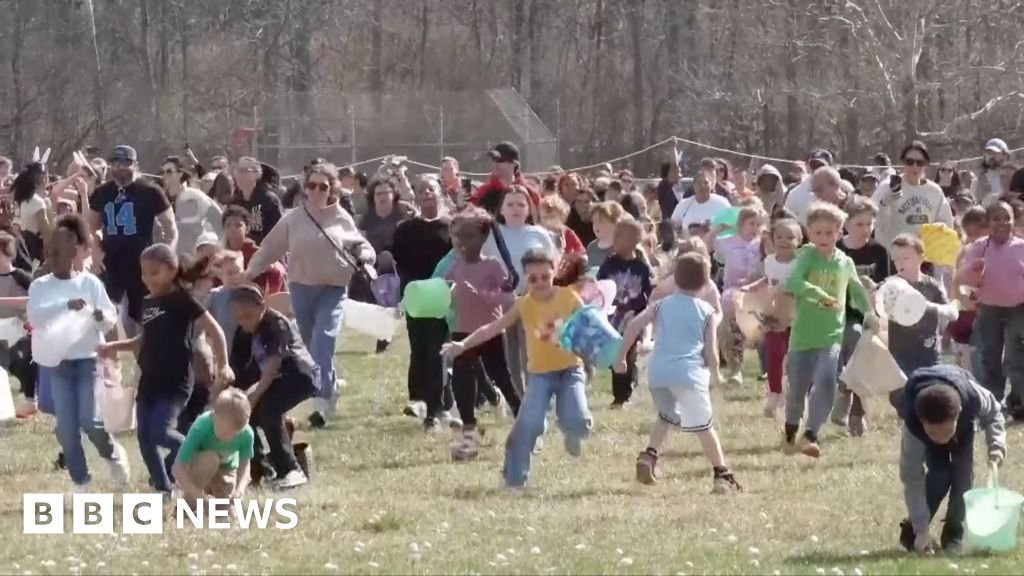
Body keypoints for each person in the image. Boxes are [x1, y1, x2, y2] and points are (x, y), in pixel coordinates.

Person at [443, 249, 591, 488]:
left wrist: (602, 351)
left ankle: (574, 433)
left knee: (576, 417)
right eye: (533, 279)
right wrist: (463, 344)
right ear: (525, 278)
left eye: (545, 276)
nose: (540, 283)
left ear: (554, 272)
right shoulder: (523, 304)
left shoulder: (569, 297)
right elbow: (492, 328)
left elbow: (592, 322)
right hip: (540, 375)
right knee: (527, 424)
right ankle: (514, 479)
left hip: (570, 370)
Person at [244, 163, 374, 428]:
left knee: (323, 340)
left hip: (333, 289)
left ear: (332, 189)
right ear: (304, 188)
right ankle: (331, 384)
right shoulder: (293, 218)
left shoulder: (340, 216)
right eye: (311, 185)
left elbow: (360, 243)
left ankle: (322, 403)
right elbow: (269, 248)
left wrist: (366, 255)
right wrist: (248, 274)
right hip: (302, 289)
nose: (316, 191)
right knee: (309, 346)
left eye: (323, 186)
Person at [98, 244, 231, 496]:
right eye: (143, 273)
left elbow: (215, 331)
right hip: (149, 379)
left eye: (154, 272)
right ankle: (163, 489)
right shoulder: (147, 302)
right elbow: (141, 341)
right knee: (144, 439)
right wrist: (113, 346)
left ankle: (203, 451)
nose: (147, 278)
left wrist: (224, 364)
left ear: (171, 270)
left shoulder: (183, 300)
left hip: (175, 381)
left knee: (160, 432)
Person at [617, 252, 740, 493]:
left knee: (667, 415)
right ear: (706, 284)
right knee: (704, 425)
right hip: (688, 374)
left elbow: (633, 326)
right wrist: (716, 374)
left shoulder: (661, 305)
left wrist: (621, 357)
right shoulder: (707, 312)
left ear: (674, 279)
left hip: (658, 373)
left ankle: (649, 455)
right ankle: (721, 474)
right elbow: (711, 351)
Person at [28, 223, 130, 490]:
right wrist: (66, 304)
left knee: (90, 420)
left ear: (75, 252)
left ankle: (112, 454)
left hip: (87, 360)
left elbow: (108, 317)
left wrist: (99, 317)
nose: (58, 258)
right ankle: (81, 481)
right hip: (58, 363)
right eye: (54, 252)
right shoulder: (40, 285)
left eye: (65, 251)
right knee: (67, 430)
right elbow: (34, 315)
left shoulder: (89, 282)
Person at [784, 202, 874, 458]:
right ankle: (791, 427)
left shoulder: (844, 262)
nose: (824, 238)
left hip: (832, 334)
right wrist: (819, 295)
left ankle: (811, 433)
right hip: (803, 336)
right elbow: (793, 282)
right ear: (809, 233)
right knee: (798, 388)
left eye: (830, 232)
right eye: (818, 232)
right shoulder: (806, 256)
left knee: (826, 381)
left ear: (839, 232)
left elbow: (856, 288)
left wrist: (869, 312)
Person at [897, 365, 1006, 555]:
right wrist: (921, 528)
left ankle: (953, 535)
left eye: (946, 432)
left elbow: (994, 414)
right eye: (934, 433)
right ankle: (914, 533)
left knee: (963, 479)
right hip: (926, 437)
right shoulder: (913, 427)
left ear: (960, 411)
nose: (941, 439)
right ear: (922, 421)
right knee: (939, 475)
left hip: (962, 431)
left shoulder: (973, 397)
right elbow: (912, 478)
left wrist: (996, 446)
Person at [445, 208, 519, 457]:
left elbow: (510, 298)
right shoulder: (454, 266)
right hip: (462, 334)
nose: (460, 241)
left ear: (483, 237)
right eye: (456, 235)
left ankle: (524, 425)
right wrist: (447, 294)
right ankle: (469, 436)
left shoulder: (493, 266)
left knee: (502, 378)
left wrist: (490, 297)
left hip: (490, 332)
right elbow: (444, 292)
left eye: (468, 235)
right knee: (462, 382)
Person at [231, 284, 319, 489]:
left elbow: (272, 367)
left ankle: (290, 470)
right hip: (274, 380)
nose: (244, 320)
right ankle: (260, 471)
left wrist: (253, 396)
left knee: (270, 410)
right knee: (246, 417)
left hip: (299, 376)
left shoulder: (275, 324)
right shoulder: (243, 332)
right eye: (239, 316)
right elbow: (239, 369)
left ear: (262, 306)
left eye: (248, 315)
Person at [89, 145, 177, 337]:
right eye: (115, 162)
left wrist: (167, 255)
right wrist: (95, 252)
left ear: (135, 164)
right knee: (106, 313)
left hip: (142, 262)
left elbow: (171, 228)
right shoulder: (102, 192)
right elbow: (91, 227)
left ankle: (144, 358)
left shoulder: (151, 191)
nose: (120, 167)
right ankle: (112, 361)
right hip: (111, 262)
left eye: (125, 162)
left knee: (142, 316)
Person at [481, 186, 557, 398]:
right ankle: (518, 396)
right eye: (510, 204)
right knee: (508, 353)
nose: (516, 209)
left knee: (532, 350)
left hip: (532, 299)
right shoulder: (491, 234)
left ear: (529, 209)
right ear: (501, 209)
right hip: (501, 301)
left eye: (521, 204)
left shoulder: (539, 234)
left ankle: (537, 394)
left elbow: (553, 265)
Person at [391, 179, 454, 424]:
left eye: (431, 188)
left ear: (440, 193)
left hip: (443, 295)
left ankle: (435, 411)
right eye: (421, 189)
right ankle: (420, 399)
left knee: (437, 350)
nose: (426, 193)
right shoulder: (405, 229)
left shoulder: (451, 226)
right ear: (414, 196)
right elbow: (399, 262)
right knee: (419, 349)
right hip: (415, 295)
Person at [957, 200, 1024, 418]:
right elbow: (963, 280)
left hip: (1019, 310)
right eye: (996, 218)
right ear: (988, 221)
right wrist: (972, 270)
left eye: (1007, 218)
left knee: (1017, 357)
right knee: (990, 356)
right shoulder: (977, 247)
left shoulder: (1022, 247)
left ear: (1014, 220)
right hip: (988, 310)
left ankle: (1019, 403)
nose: (1002, 222)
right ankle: (992, 405)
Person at [834, 196, 891, 436]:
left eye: (869, 223)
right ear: (846, 224)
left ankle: (856, 413)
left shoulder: (879, 251)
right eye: (859, 224)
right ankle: (842, 391)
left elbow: (888, 283)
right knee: (840, 361)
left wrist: (874, 287)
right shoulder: (838, 250)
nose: (865, 229)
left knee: (861, 354)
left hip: (867, 316)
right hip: (839, 313)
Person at [741, 219, 802, 418]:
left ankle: (794, 394)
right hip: (773, 314)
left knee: (795, 358)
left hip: (797, 316)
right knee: (774, 353)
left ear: (799, 240)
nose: (784, 241)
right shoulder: (769, 261)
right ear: (772, 239)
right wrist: (753, 287)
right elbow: (769, 279)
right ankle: (774, 393)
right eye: (779, 237)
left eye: (790, 237)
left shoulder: (801, 261)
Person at [704, 205, 766, 386]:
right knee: (732, 332)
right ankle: (735, 370)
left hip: (757, 292)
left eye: (757, 224)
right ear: (740, 224)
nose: (754, 228)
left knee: (763, 333)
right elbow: (705, 246)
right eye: (750, 223)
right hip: (733, 294)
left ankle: (768, 369)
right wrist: (717, 228)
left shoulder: (762, 243)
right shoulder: (729, 242)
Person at [598, 219, 653, 408]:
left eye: (618, 236)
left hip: (633, 318)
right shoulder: (609, 264)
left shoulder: (642, 268)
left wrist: (643, 316)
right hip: (612, 318)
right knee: (616, 354)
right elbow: (601, 287)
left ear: (633, 240)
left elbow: (648, 293)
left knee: (628, 354)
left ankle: (625, 395)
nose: (614, 240)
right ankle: (618, 394)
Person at [886, 234, 958, 378]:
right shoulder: (890, 286)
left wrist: (928, 306)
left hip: (930, 354)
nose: (900, 263)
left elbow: (953, 313)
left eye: (906, 258)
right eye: (896, 259)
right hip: (900, 357)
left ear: (920, 258)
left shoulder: (931, 285)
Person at [173, 388, 255, 502]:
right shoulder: (201, 427)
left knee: (227, 515)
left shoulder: (247, 434)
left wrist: (240, 489)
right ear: (213, 416)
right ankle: (186, 506)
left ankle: (218, 498)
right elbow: (178, 468)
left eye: (235, 434)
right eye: (224, 432)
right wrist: (196, 494)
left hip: (227, 469)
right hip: (200, 467)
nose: (229, 438)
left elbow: (245, 465)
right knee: (211, 459)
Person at [874, 141, 954, 248]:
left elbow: (946, 223)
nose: (915, 166)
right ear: (903, 163)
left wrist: (938, 231)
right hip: (897, 255)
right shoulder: (887, 187)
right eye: (910, 162)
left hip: (925, 255)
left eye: (920, 163)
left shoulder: (934, 191)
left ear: (925, 165)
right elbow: (874, 220)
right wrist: (884, 203)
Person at [947, 206, 987, 372]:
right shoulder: (964, 253)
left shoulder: (995, 254)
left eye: (976, 234)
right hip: (965, 316)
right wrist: (959, 302)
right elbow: (955, 283)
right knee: (966, 362)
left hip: (987, 314)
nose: (972, 240)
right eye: (968, 235)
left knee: (984, 360)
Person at [160, 156, 223, 257]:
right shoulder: (160, 199)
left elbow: (219, 221)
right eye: (162, 172)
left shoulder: (196, 197)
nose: (165, 175)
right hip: (170, 258)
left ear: (180, 174)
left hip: (194, 258)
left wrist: (220, 248)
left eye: (169, 171)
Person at [221, 206, 284, 297]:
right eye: (228, 225)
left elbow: (277, 273)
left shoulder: (257, 255)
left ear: (247, 229)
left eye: (238, 225)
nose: (233, 229)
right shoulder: (221, 258)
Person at [471, 142, 539, 216]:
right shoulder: (483, 191)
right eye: (493, 159)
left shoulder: (529, 193)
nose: (494, 163)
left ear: (514, 164)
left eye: (500, 160)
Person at [232, 157, 282, 245]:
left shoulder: (268, 200)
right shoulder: (234, 202)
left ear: (257, 174)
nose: (239, 174)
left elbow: (278, 233)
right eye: (237, 170)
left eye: (244, 171)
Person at [10, 160, 51, 263]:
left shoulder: (21, 200)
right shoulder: (37, 202)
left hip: (22, 245)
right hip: (35, 247)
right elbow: (46, 232)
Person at [669, 171, 731, 236]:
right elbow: (672, 225)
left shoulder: (722, 203)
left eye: (706, 183)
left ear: (711, 185)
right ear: (693, 186)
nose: (702, 186)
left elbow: (731, 225)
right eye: (699, 183)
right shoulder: (684, 204)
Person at [783, 149, 834, 225]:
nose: (818, 169)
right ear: (807, 166)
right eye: (814, 165)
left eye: (821, 166)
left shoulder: (840, 191)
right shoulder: (795, 194)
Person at [586, 201, 625, 270]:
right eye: (594, 221)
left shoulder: (625, 247)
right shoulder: (591, 247)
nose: (596, 225)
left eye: (601, 221)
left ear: (615, 222)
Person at [971, 138, 1011, 203]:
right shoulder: (977, 182)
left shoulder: (1014, 177)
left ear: (1005, 155)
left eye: (995, 153)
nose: (991, 156)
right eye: (988, 153)